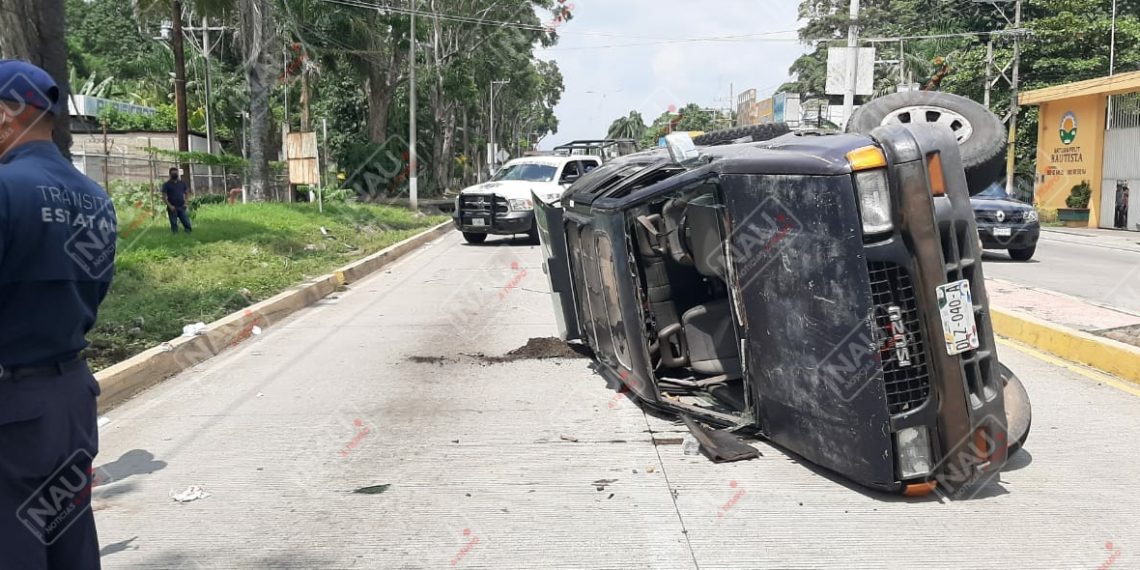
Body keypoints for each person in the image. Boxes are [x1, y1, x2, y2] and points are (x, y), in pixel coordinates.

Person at [0, 60, 114, 569]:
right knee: (70, 542)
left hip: (11, 408)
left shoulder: (5, 190)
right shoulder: (96, 198)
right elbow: (96, 289)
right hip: (70, 401)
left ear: (8, 115)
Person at [161, 167, 192, 233]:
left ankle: (188, 234)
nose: (175, 174)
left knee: (186, 222)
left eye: (176, 173)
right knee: (174, 224)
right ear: (170, 174)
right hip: (172, 207)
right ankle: (175, 236)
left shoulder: (182, 183)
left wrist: (186, 203)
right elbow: (164, 197)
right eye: (173, 173)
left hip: (181, 206)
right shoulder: (166, 185)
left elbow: (187, 193)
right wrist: (170, 206)